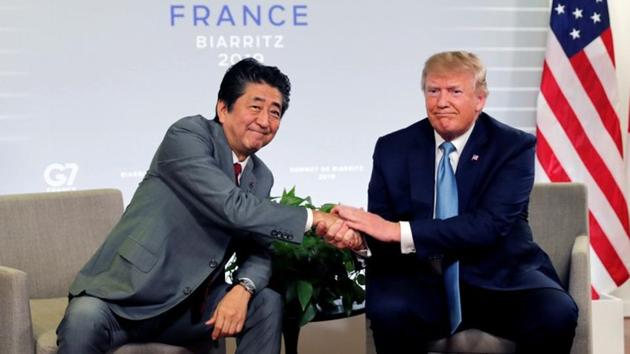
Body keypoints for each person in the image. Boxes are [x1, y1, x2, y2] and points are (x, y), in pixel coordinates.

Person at [56, 58, 361, 354]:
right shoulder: (188, 135)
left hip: (190, 308)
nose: (265, 121)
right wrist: (314, 218)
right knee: (84, 317)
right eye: (255, 107)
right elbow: (231, 206)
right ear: (223, 108)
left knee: (265, 302)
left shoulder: (260, 175)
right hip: (125, 297)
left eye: (275, 112)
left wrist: (244, 288)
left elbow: (258, 247)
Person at [330, 51, 578, 353]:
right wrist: (357, 239)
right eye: (433, 91)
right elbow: (381, 228)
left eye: (455, 91)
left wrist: (400, 231)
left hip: (498, 276)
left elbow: (488, 226)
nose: (442, 101)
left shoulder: (513, 147)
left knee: (556, 312)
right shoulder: (392, 147)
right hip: (418, 277)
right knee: (388, 310)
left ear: (480, 99)